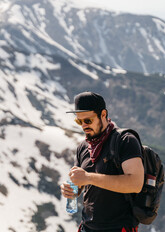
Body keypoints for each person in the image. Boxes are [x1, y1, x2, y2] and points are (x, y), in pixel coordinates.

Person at [60, 92, 144, 232]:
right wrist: (71, 191)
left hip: (118, 227)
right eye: (79, 121)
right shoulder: (83, 147)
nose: (84, 126)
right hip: (87, 227)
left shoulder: (125, 140)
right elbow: (79, 184)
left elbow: (135, 183)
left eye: (88, 120)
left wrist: (88, 177)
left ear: (103, 114)